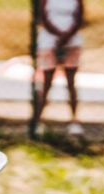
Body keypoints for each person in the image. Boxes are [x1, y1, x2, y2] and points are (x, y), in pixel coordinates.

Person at [34, 0, 84, 138]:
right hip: (49, 41)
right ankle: (39, 120)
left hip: (72, 41)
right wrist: (58, 35)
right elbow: (43, 17)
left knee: (71, 82)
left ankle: (74, 120)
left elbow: (80, 17)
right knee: (47, 82)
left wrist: (67, 36)